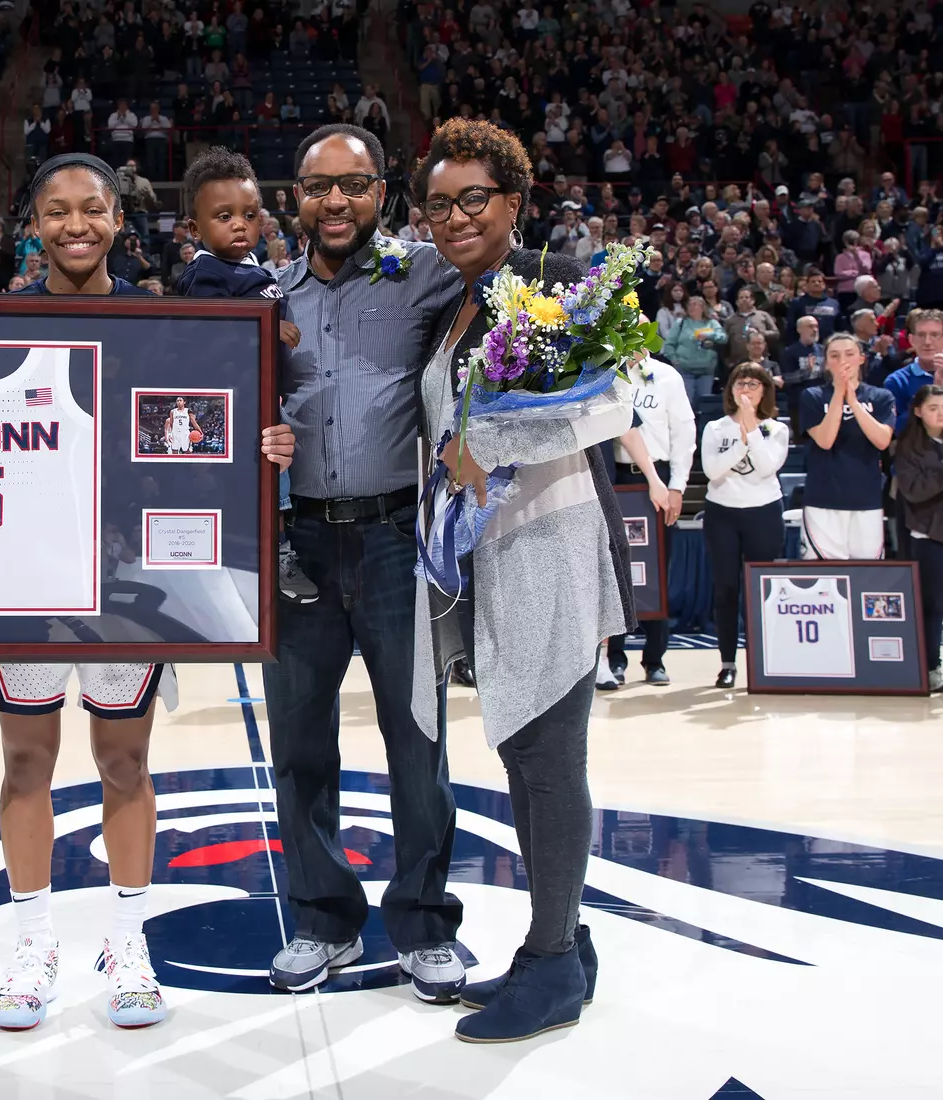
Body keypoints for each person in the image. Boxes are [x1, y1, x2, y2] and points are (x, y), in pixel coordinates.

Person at [0, 153, 221, 1034]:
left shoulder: (161, 319)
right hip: (21, 577)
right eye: (58, 210)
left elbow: (192, 433)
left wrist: (254, 449)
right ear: (32, 221)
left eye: (94, 209)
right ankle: (33, 944)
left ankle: (127, 940)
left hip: (124, 578)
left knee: (124, 763)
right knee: (26, 763)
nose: (77, 224)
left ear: (119, 219)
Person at [410, 117, 633, 1043]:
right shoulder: (459, 303)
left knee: (547, 760)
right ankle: (565, 944)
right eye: (438, 203)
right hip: (488, 553)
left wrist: (485, 445)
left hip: (546, 542)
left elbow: (613, 402)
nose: (455, 216)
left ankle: (549, 968)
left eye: (474, 198)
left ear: (514, 201)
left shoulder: (545, 291)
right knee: (524, 752)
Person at [263, 124, 467, 1005]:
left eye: (353, 186)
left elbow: (512, 286)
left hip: (392, 538)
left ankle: (422, 925)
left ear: (384, 192)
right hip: (298, 543)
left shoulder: (425, 275)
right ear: (294, 198)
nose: (334, 203)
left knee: (416, 741)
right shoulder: (269, 298)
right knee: (300, 746)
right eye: (317, 188)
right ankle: (323, 920)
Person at [172, 147, 315, 605]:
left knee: (276, 481)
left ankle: (275, 552)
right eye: (224, 216)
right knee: (263, 486)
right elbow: (205, 331)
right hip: (229, 403)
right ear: (195, 229)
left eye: (249, 214)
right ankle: (267, 557)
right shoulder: (205, 273)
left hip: (261, 397)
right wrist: (267, 324)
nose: (240, 224)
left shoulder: (251, 268)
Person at [603, 353, 694, 687]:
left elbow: (684, 433)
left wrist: (677, 486)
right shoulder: (606, 371)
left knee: (657, 572)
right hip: (616, 477)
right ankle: (615, 658)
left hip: (659, 478)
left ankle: (655, 659)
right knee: (615, 572)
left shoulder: (667, 376)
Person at [700, 366, 791, 688]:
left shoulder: (777, 429)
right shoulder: (715, 427)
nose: (747, 388)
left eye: (754, 383)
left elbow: (767, 466)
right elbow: (712, 470)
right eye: (741, 382)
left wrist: (750, 428)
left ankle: (765, 660)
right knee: (726, 590)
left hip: (763, 513)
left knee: (761, 590)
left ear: (765, 390)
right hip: (722, 513)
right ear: (731, 389)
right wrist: (741, 443)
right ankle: (727, 663)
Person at [799, 333, 896, 559]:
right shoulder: (812, 396)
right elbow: (825, 440)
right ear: (826, 362)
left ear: (861, 359)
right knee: (825, 580)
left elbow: (882, 440)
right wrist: (839, 395)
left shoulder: (881, 397)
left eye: (849, 354)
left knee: (867, 578)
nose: (842, 360)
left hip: (867, 500)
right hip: (823, 500)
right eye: (834, 355)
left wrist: (852, 401)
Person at [892, 385, 943, 693]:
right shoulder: (908, 448)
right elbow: (915, 491)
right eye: (934, 407)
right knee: (932, 606)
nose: (940, 413)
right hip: (928, 534)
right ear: (919, 411)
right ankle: (931, 666)